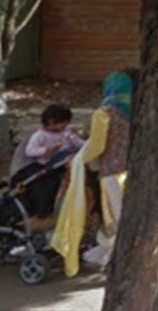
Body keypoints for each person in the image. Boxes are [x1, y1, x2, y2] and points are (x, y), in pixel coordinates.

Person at [52, 71, 132, 273]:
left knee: (115, 218)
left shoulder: (103, 114)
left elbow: (96, 146)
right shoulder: (134, 112)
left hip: (111, 173)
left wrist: (78, 158)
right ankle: (104, 253)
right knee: (125, 216)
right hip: (130, 172)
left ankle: (118, 259)